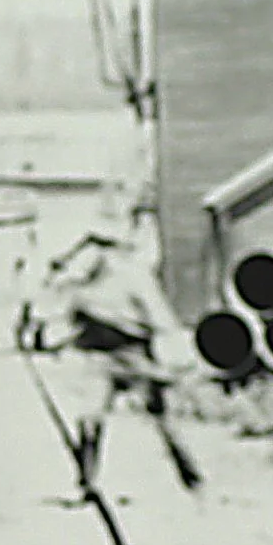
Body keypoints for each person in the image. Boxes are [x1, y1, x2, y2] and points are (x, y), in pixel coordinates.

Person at [31, 199, 193, 493]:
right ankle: (87, 481)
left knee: (161, 418)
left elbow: (161, 318)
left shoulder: (134, 277)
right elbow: (55, 311)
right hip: (97, 357)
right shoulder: (82, 284)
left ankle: (189, 474)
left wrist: (173, 354)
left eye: (101, 247)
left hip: (134, 353)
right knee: (90, 417)